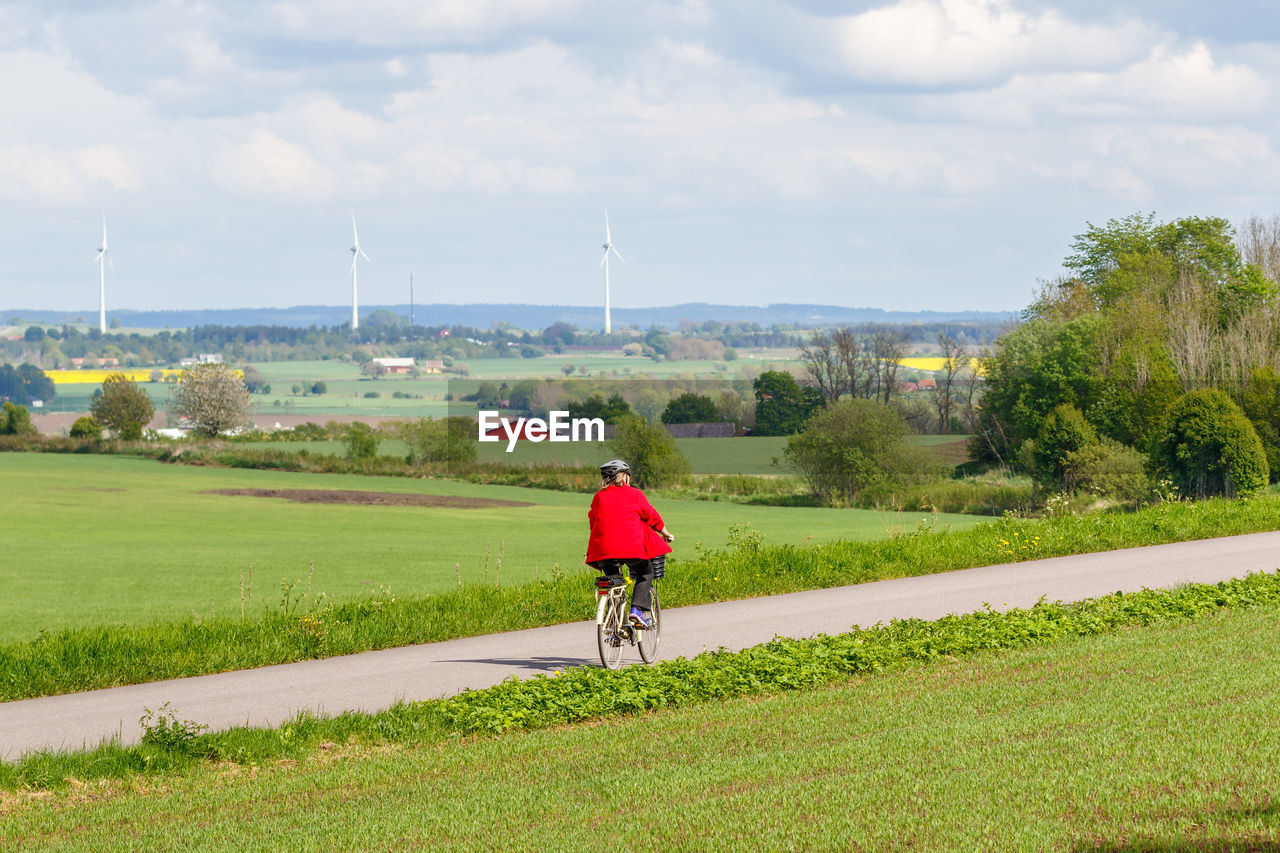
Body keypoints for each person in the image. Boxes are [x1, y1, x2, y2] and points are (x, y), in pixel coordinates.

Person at [585, 459, 673, 628]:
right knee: (646, 572)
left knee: (613, 580)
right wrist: (666, 533)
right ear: (623, 477)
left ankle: (614, 623)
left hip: (603, 550)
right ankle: (637, 610)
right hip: (632, 549)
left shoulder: (598, 497)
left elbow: (593, 522)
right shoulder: (635, 494)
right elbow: (652, 516)